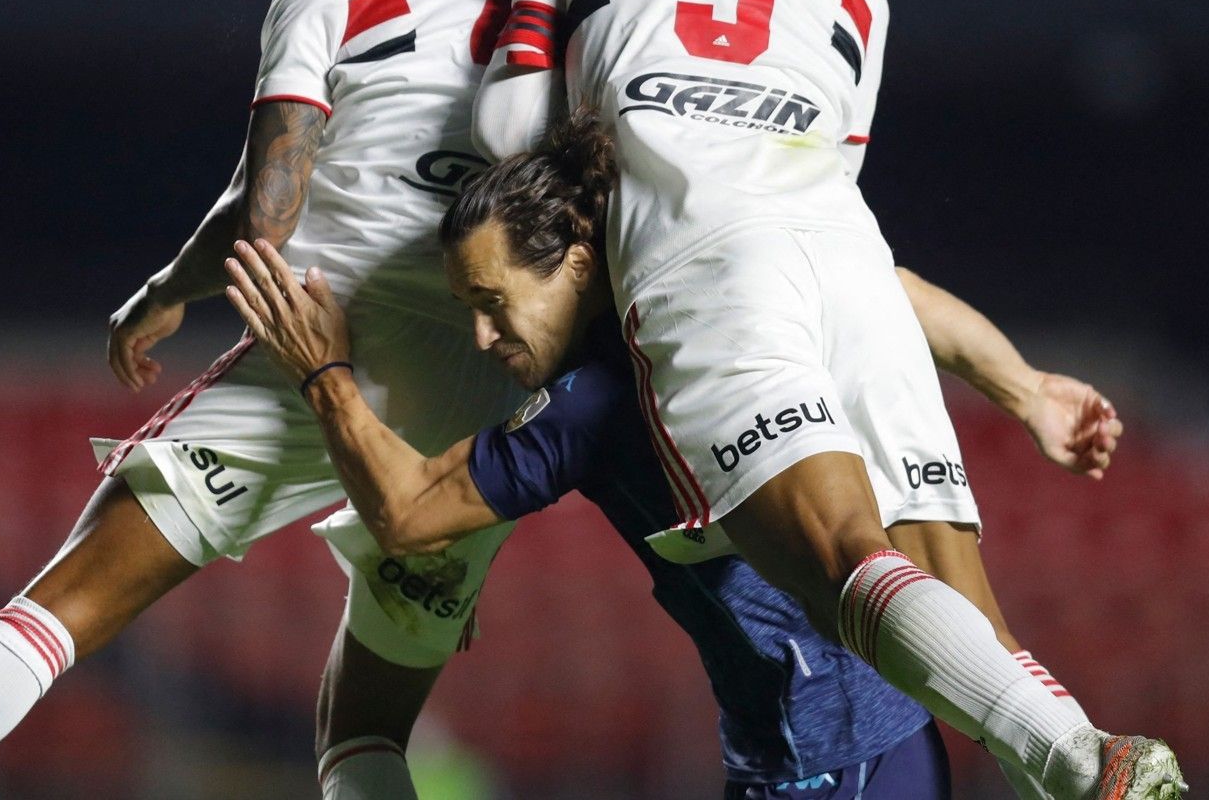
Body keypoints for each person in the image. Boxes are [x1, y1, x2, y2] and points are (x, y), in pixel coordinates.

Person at [0, 0, 559, 799]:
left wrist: (169, 289)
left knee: (64, 607)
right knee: (369, 726)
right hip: (496, 361)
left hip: (331, 332)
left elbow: (265, 212)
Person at [473, 0, 1186, 798]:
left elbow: (508, 142)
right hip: (846, 248)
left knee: (842, 558)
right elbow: (828, 172)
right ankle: (1078, 757)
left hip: (703, 247)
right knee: (958, 602)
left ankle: (1084, 761)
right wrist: (1020, 384)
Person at [223, 115, 1130, 798]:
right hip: (809, 754)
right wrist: (1024, 389)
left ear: (577, 258)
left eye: (495, 301)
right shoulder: (707, 295)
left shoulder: (593, 402)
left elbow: (409, 511)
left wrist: (324, 372)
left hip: (836, 765)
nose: (483, 333)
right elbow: (891, 290)